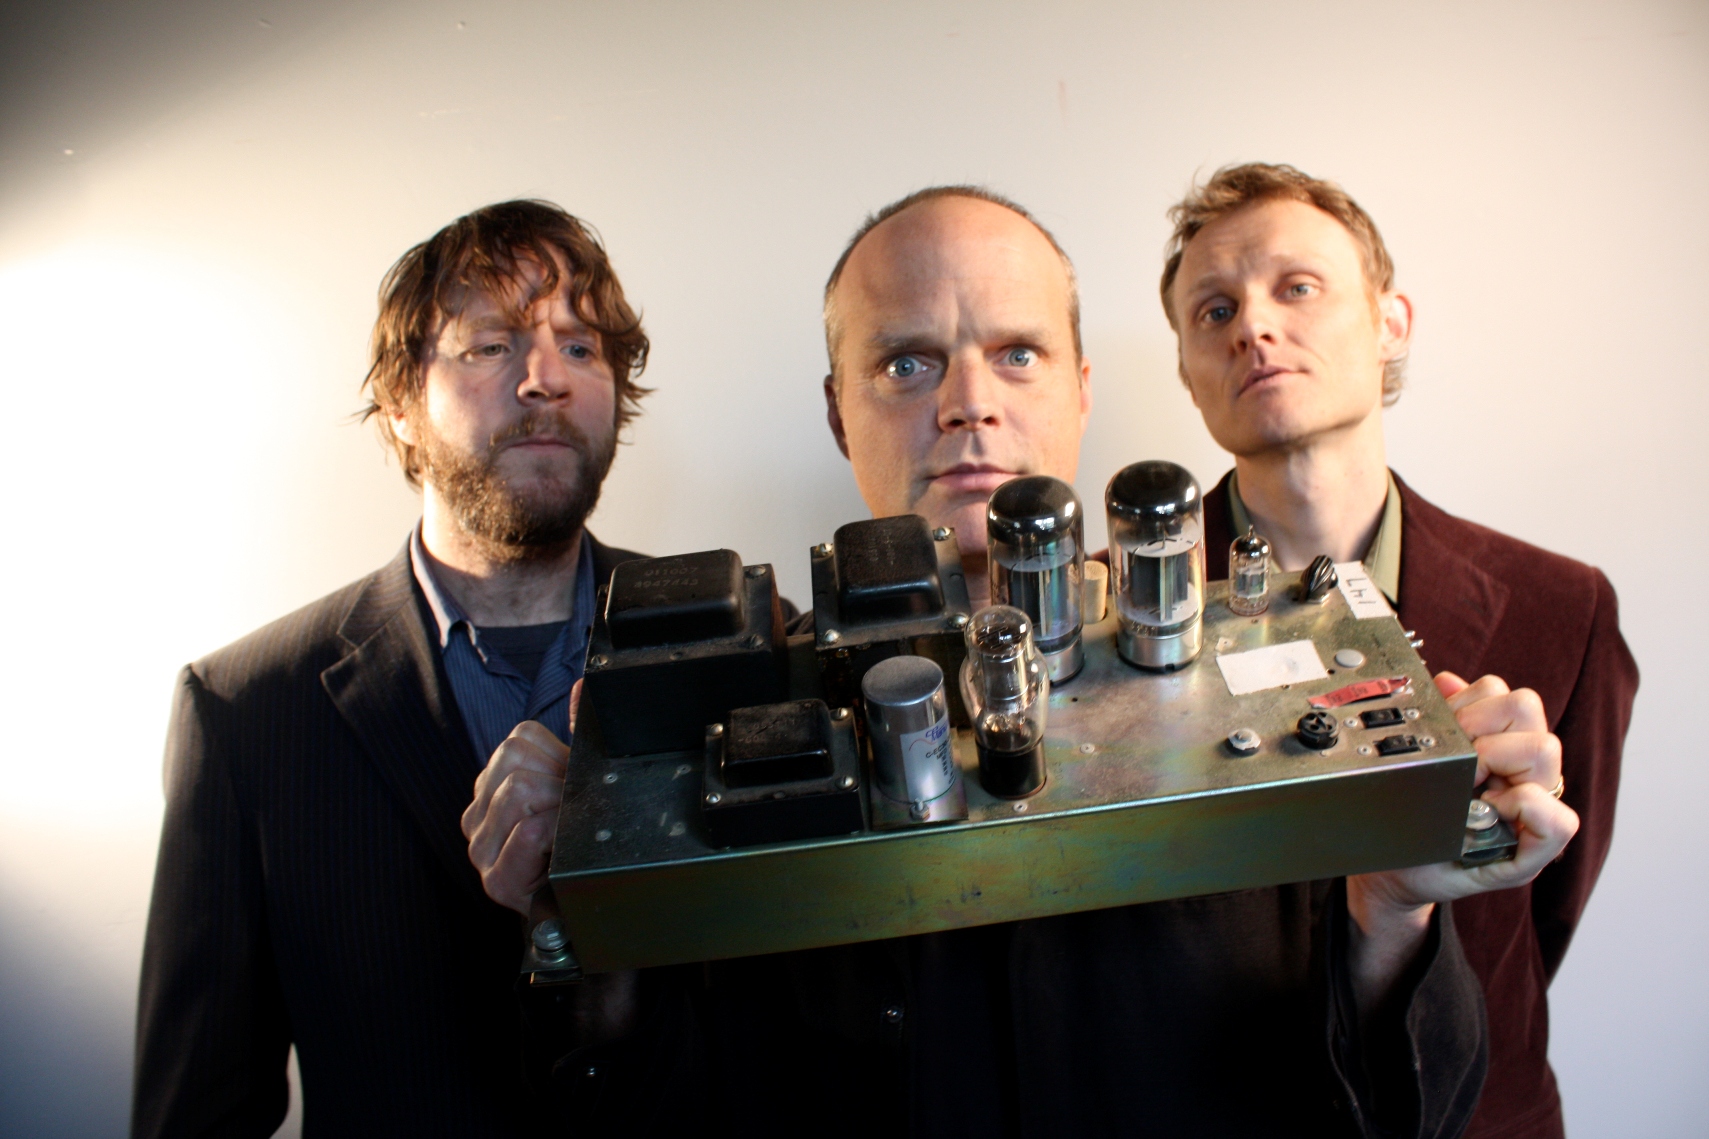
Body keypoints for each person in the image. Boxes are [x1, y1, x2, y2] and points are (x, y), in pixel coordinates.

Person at [468, 187, 1573, 1136]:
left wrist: (1389, 911)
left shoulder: (1273, 673)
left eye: (1016, 353)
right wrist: (581, 920)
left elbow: (1405, 1111)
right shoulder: (730, 718)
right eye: (905, 362)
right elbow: (640, 1107)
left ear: (1081, 388)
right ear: (838, 412)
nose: (967, 403)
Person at [132, 200, 652, 1137]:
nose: (545, 379)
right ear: (402, 405)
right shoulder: (244, 713)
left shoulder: (749, 646)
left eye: (580, 347)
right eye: (490, 345)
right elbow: (199, 1111)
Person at [1157, 162, 1639, 1139]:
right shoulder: (1093, 627)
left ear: (1389, 323)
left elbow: (1534, 915)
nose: (1253, 326)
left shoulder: (1562, 607)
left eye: (1296, 286)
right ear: (1186, 372)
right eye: (1214, 310)